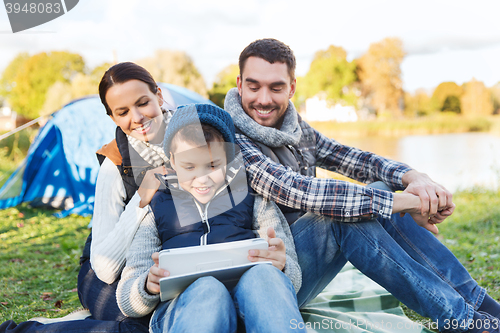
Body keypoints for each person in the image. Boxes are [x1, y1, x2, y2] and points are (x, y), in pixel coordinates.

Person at [224, 38, 500, 333]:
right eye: (254, 86)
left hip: (302, 265)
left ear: (291, 88)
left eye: (275, 87)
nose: (263, 99)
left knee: (379, 189)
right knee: (341, 215)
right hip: (262, 285)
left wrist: (414, 178)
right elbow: (296, 189)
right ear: (240, 84)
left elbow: (354, 159)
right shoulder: (228, 137)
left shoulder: (294, 128)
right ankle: (465, 322)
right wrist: (406, 202)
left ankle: (482, 306)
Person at [0, 62, 166, 332]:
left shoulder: (194, 135)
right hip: (103, 275)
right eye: (122, 112)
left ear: (158, 96)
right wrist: (141, 198)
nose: (136, 117)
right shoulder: (115, 163)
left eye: (143, 103)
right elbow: (105, 267)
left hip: (157, 267)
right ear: (112, 118)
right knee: (145, 326)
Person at [115, 103, 305, 332]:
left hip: (249, 304)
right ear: (173, 161)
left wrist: (281, 267)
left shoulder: (254, 198)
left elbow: (293, 280)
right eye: (189, 166)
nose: (202, 179)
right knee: (207, 288)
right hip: (185, 311)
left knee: (264, 276)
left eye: (213, 165)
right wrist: (147, 285)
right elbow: (127, 299)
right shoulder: (155, 207)